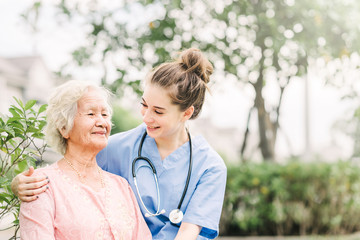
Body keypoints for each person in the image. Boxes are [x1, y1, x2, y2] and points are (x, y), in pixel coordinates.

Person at [12, 48, 227, 240]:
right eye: (144, 105)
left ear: (186, 113)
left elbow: (189, 231)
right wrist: (21, 184)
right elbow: (69, 170)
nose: (146, 117)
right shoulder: (117, 147)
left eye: (158, 111)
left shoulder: (210, 167)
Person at [18, 80, 151, 240]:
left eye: (104, 115)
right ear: (64, 128)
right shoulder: (41, 185)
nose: (102, 122)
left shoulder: (121, 186)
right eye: (91, 114)